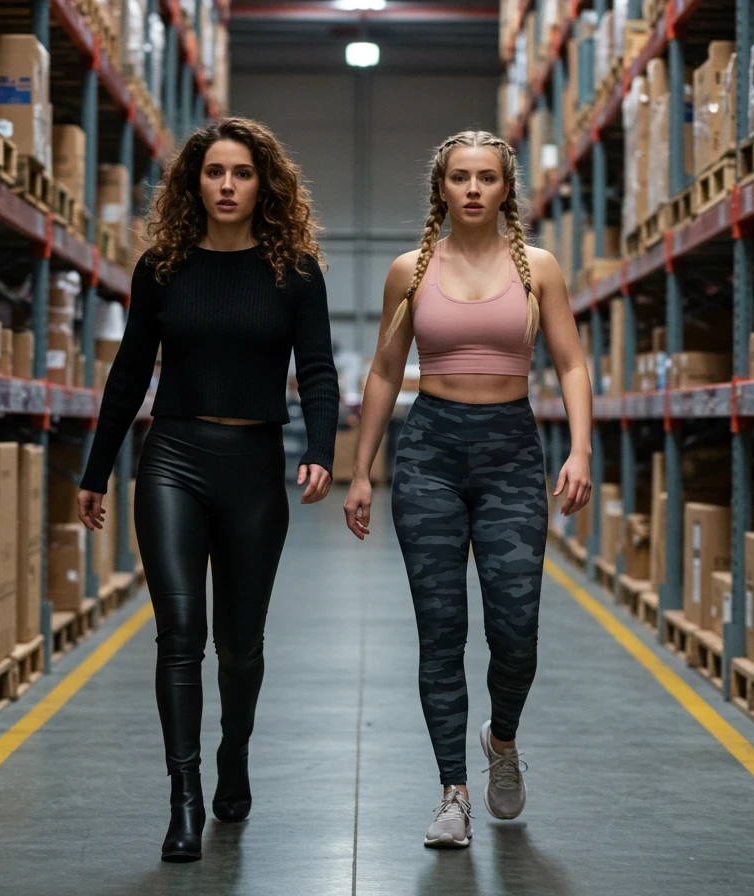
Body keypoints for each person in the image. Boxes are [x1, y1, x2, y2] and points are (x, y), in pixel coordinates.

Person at [76, 117, 339, 863]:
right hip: (174, 459)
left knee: (240, 644)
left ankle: (233, 752)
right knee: (180, 635)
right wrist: (96, 472)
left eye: (242, 173)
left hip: (255, 464)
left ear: (265, 185)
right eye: (214, 172)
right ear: (195, 182)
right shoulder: (163, 266)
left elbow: (317, 371)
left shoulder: (296, 272)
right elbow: (130, 372)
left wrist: (321, 449)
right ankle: (183, 796)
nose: (227, 185)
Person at [342, 131, 593, 849]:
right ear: (441, 190)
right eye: (460, 178)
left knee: (516, 635)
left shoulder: (538, 268)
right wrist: (362, 472)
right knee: (441, 631)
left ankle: (502, 740)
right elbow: (386, 373)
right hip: (431, 455)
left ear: (506, 188)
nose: (474, 189)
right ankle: (451, 791)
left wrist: (578, 449)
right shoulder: (411, 270)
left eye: (487, 177)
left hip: (513, 453)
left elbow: (572, 365)